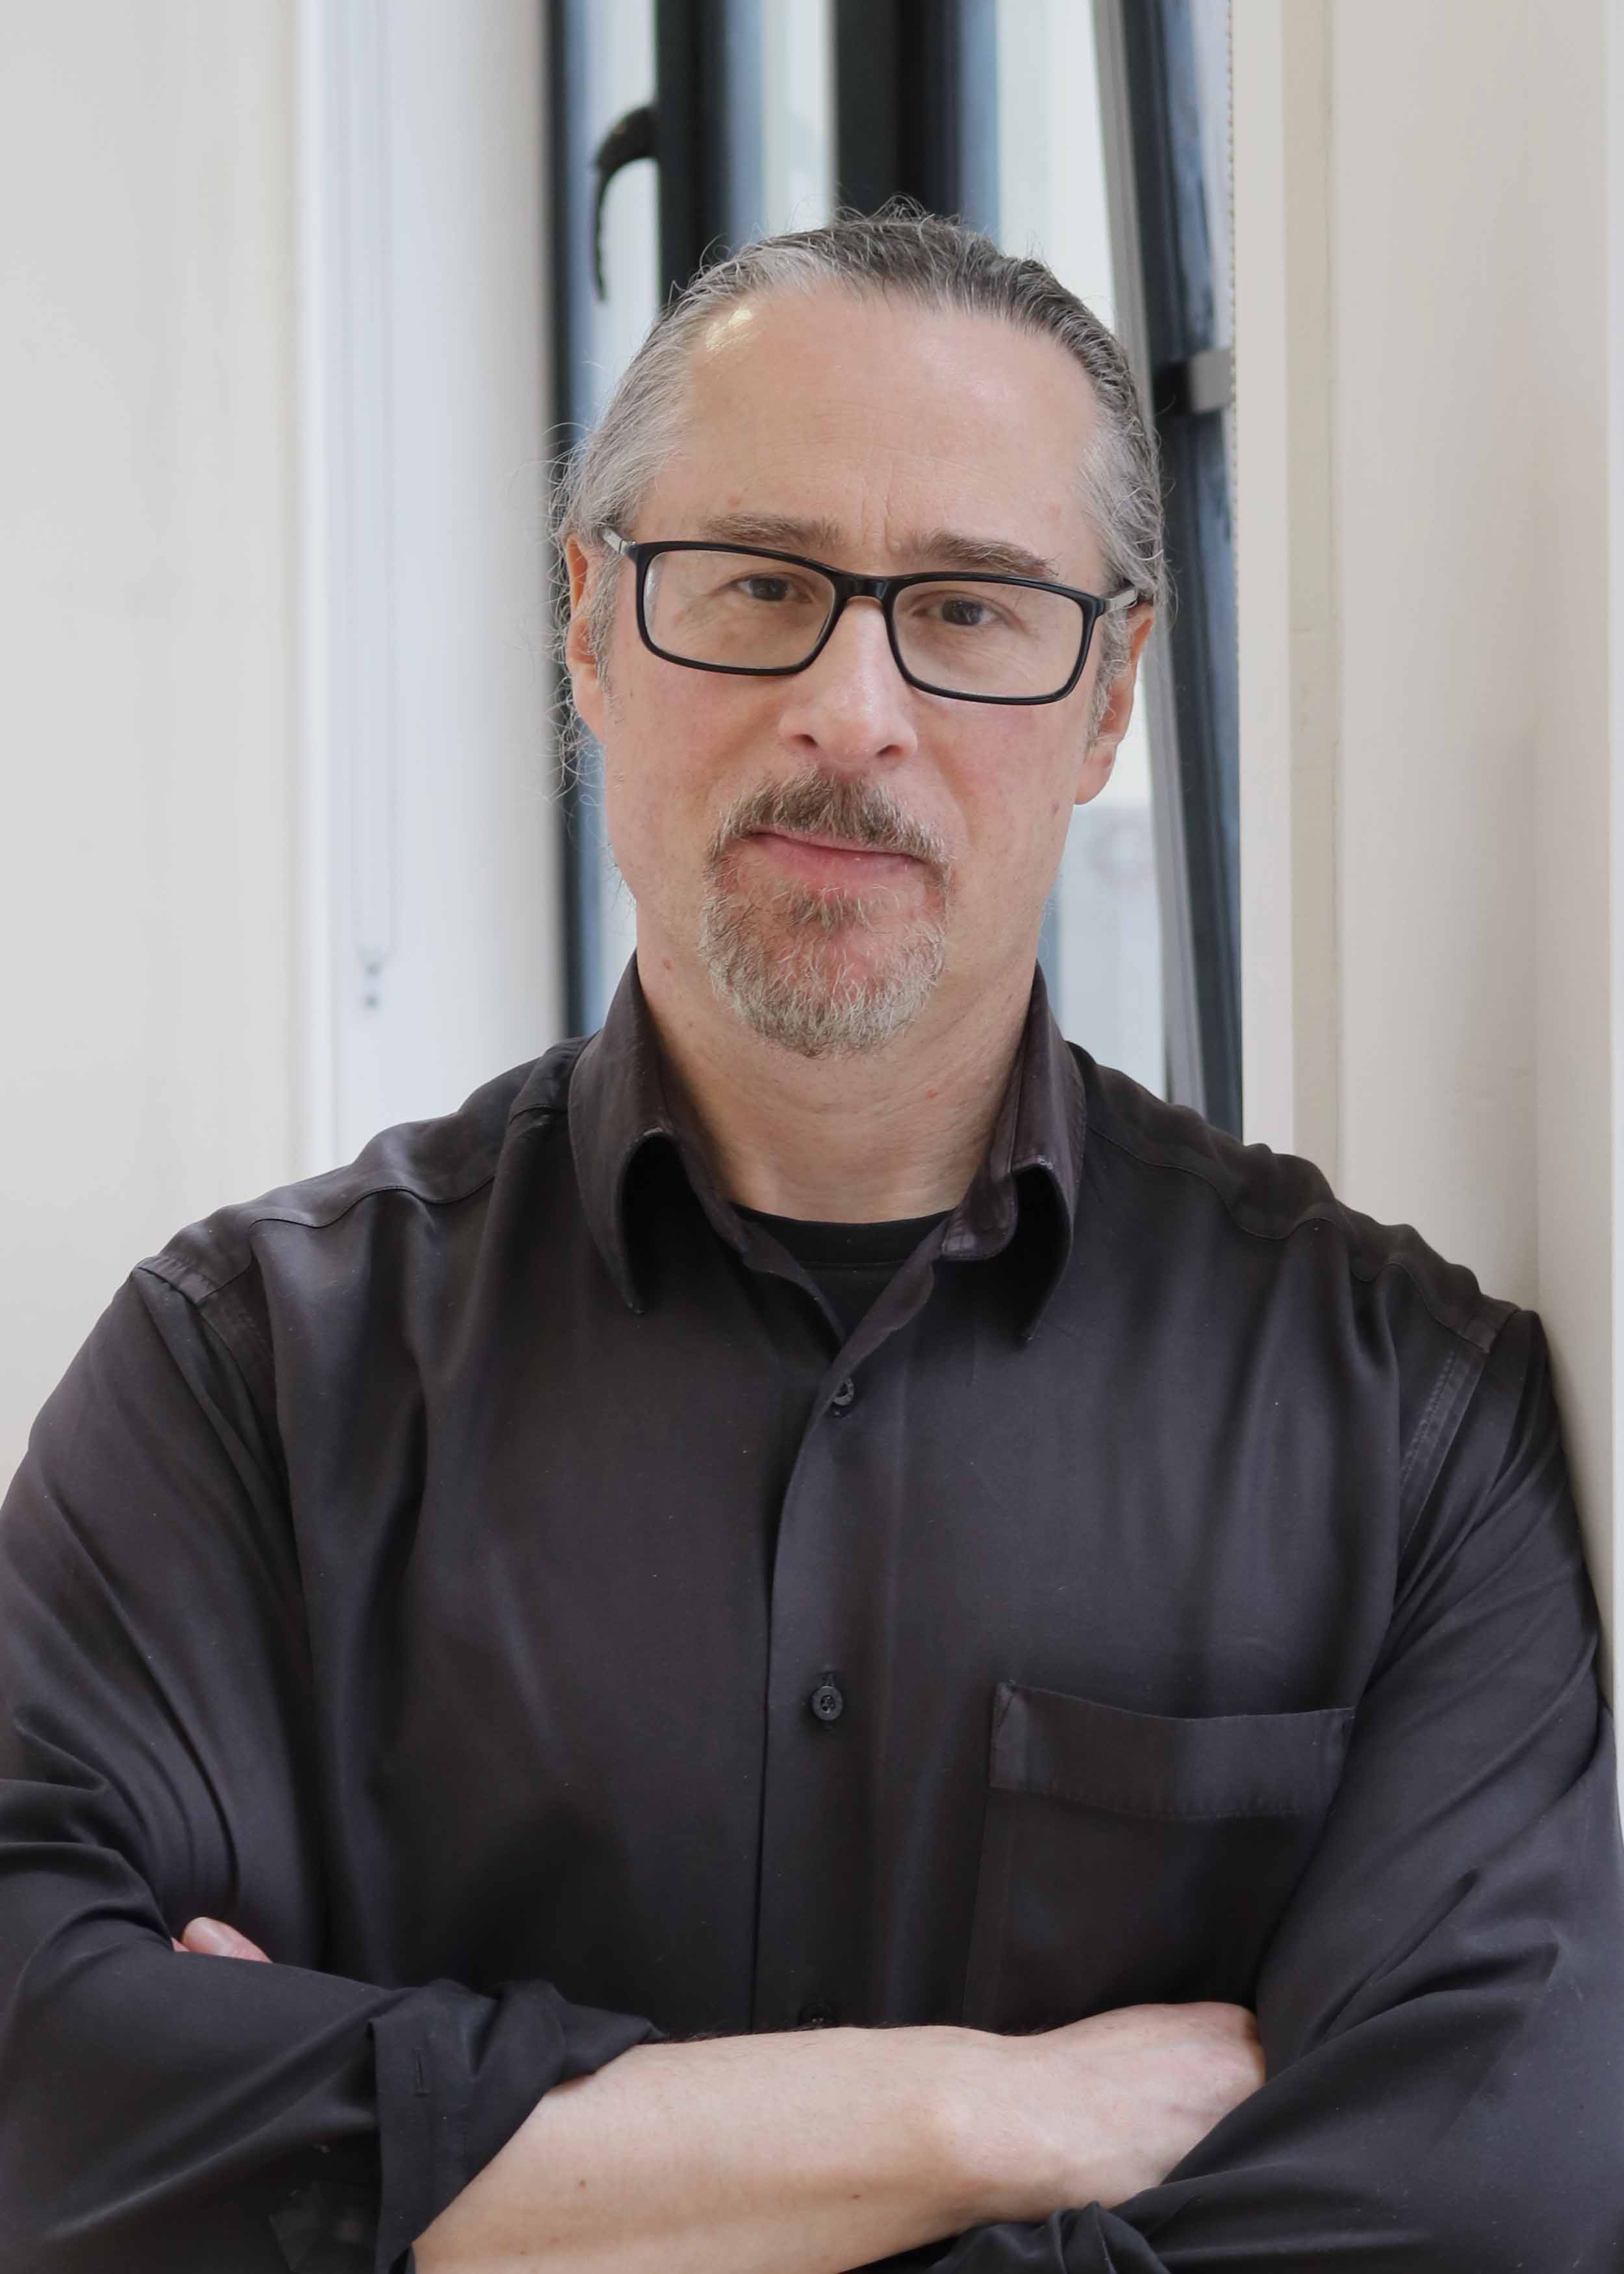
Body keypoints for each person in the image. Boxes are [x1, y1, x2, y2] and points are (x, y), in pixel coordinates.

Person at [2, 206, 1621, 2274]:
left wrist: (443, 2202)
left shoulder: (1408, 1424)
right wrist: (972, 2116)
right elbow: (46, 2120)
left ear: (1107, 696)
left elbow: (1475, 2222)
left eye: (967, 608)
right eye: (758, 584)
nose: (851, 710)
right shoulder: (242, 1378)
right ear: (591, 630)